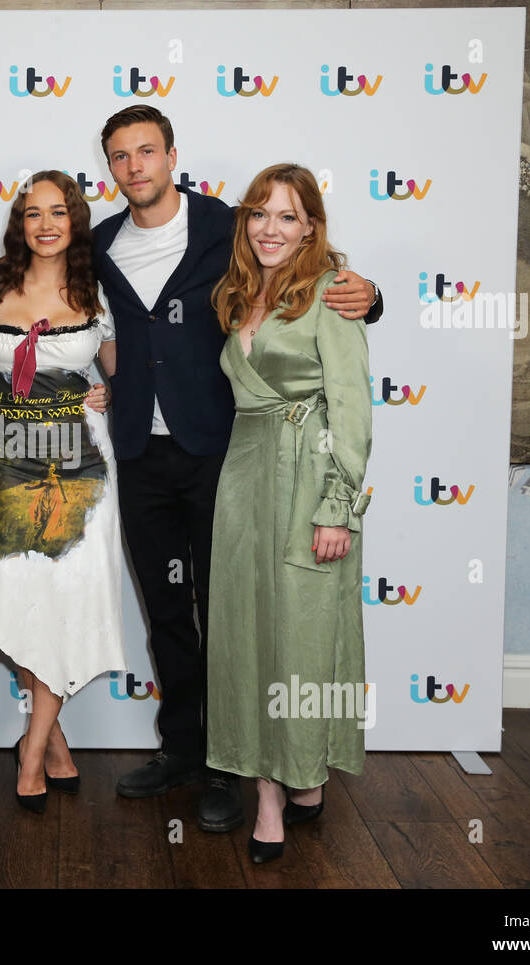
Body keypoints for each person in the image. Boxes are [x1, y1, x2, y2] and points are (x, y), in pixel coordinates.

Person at [0, 106, 381, 832]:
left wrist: (370, 297)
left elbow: (306, 286)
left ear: (171, 155)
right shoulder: (101, 243)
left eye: (146, 152)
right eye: (120, 157)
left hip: (225, 451)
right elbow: (54, 292)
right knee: (167, 613)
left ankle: (229, 764)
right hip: (135, 453)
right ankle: (184, 749)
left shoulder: (232, 226)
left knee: (228, 614)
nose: (135, 167)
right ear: (111, 169)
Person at [206, 163, 372, 863]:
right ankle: (282, 784)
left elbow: (352, 407)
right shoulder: (240, 291)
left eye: (287, 216)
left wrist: (338, 506)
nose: (270, 228)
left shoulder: (332, 293)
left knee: (300, 639)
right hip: (243, 480)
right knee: (247, 636)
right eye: (259, 214)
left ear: (310, 226)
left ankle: (285, 787)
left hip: (307, 476)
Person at [0, 171, 124, 812]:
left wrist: (110, 393)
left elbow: (125, 371)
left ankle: (29, 755)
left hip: (85, 469)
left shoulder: (98, 293)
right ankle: (51, 738)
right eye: (33, 213)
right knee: (21, 600)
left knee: (68, 600)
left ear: (75, 220)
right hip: (9, 466)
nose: (46, 224)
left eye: (58, 212)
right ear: (19, 223)